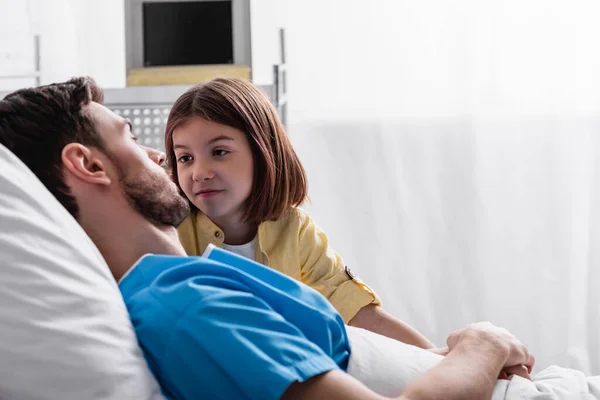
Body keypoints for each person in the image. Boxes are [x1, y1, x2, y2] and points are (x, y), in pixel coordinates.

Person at [0, 77, 535, 400]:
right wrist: (482, 344)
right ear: (89, 165)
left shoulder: (197, 280)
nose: (165, 160)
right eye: (134, 140)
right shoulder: (185, 306)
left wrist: (451, 357)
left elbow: (358, 316)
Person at [165, 77, 433, 349]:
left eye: (219, 152)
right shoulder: (170, 232)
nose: (199, 173)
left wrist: (436, 359)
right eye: (185, 158)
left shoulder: (296, 230)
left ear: (263, 152)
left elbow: (355, 309)